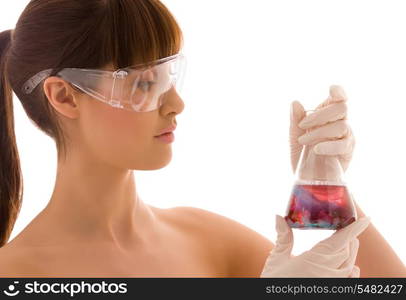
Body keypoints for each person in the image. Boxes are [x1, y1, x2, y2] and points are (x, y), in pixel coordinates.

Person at [0, 0, 404, 278]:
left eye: (169, 76)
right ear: (65, 95)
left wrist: (325, 189)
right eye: (143, 83)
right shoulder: (16, 274)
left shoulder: (206, 239)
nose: (176, 103)